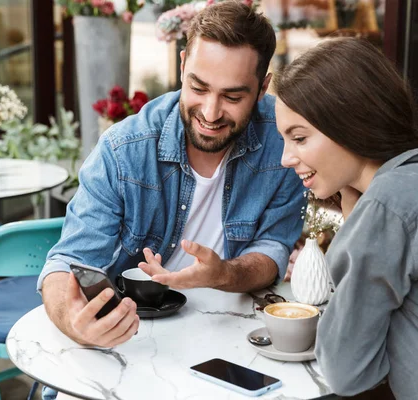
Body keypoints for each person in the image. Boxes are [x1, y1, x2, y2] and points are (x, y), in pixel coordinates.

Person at [39, 0, 306, 351]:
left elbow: (273, 249)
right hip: (137, 340)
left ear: (262, 87)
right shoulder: (124, 150)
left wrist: (223, 273)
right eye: (198, 88)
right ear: (182, 66)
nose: (210, 112)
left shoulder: (283, 139)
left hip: (234, 336)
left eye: (232, 96)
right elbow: (68, 263)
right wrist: (75, 323)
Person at [275, 37, 418, 399]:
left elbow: (346, 371)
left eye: (299, 138)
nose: (287, 158)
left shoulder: (389, 204)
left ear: (350, 123)